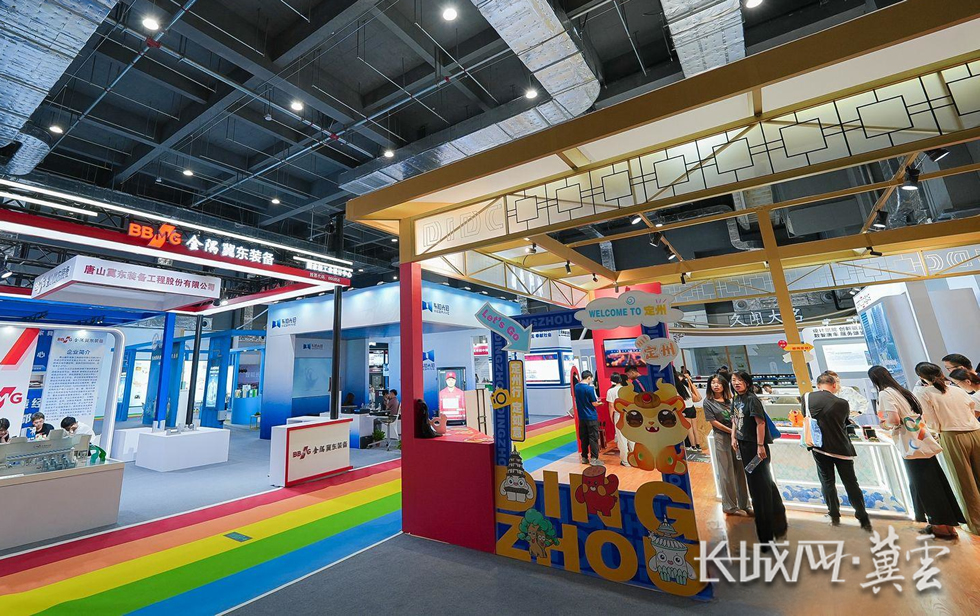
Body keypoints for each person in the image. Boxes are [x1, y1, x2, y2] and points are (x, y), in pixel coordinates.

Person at [869, 365, 963, 539]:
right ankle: (949, 525)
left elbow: (893, 419)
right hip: (922, 440)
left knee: (924, 484)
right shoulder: (902, 391)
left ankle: (940, 527)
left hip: (911, 445)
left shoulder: (884, 394)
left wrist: (885, 425)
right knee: (936, 481)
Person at [914, 361, 980, 534]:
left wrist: (937, 430)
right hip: (975, 432)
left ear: (921, 377)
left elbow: (930, 420)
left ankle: (977, 525)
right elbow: (972, 407)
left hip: (952, 436)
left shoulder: (924, 393)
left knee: (965, 482)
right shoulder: (957, 390)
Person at [805, 373, 873, 531]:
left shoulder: (807, 398)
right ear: (834, 385)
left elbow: (807, 417)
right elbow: (844, 422)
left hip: (820, 446)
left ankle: (834, 515)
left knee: (827, 482)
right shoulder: (842, 403)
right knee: (851, 482)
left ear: (818, 385)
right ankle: (862, 515)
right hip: (842, 447)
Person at [731, 371, 787, 545]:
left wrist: (760, 445)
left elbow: (760, 423)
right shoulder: (736, 399)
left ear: (747, 383)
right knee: (763, 483)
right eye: (734, 380)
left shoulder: (752, 399)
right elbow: (735, 419)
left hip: (755, 447)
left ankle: (766, 533)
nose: (736, 383)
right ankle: (778, 517)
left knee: (759, 489)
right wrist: (733, 437)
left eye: (740, 380)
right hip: (743, 445)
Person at [702, 374, 750, 516]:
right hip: (722, 438)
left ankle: (745, 504)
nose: (715, 385)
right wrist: (732, 432)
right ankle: (730, 506)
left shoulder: (732, 400)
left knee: (740, 470)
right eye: (713, 383)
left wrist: (737, 432)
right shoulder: (708, 402)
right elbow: (713, 422)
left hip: (737, 438)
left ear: (724, 385)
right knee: (726, 471)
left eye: (718, 383)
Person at [574, 370, 602, 466]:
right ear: (589, 378)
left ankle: (584, 457)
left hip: (582, 417)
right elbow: (594, 403)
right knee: (593, 438)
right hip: (591, 416)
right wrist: (600, 403)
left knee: (584, 438)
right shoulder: (589, 389)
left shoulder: (576, 387)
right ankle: (594, 458)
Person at [676, 369, 702, 451]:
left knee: (689, 429)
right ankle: (698, 445)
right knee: (695, 428)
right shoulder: (687, 386)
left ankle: (693, 446)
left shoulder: (677, 388)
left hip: (685, 409)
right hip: (692, 408)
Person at [606, 373, 628, 465]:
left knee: (621, 438)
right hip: (629, 414)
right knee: (631, 437)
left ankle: (626, 460)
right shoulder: (626, 389)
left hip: (618, 415)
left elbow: (611, 405)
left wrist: (611, 416)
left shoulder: (611, 391)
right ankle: (634, 458)